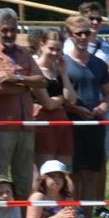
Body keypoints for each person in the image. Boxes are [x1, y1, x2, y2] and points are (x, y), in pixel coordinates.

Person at [0, 8, 43, 195]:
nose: (9, 34)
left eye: (13, 30)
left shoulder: (24, 52)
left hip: (26, 125)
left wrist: (17, 79)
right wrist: (26, 84)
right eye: (4, 30)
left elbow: (41, 82)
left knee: (24, 178)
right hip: (2, 127)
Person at [62, 16, 109, 218]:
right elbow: (59, 97)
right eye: (78, 33)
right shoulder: (62, 63)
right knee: (72, 174)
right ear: (70, 35)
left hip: (95, 124)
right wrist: (76, 109)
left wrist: (102, 106)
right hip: (71, 124)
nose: (83, 37)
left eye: (86, 33)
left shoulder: (99, 64)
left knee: (90, 173)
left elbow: (108, 94)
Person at [30, 30, 74, 184]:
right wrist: (62, 98)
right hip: (43, 123)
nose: (55, 53)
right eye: (51, 48)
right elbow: (47, 104)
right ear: (42, 45)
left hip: (63, 123)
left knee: (63, 171)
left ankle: (61, 206)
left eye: (58, 50)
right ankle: (39, 205)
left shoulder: (58, 70)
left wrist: (63, 73)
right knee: (44, 172)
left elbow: (72, 99)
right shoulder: (34, 69)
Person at [28, 159, 96, 218]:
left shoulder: (68, 199)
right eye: (52, 176)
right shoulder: (37, 197)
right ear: (44, 179)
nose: (56, 179)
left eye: (60, 176)